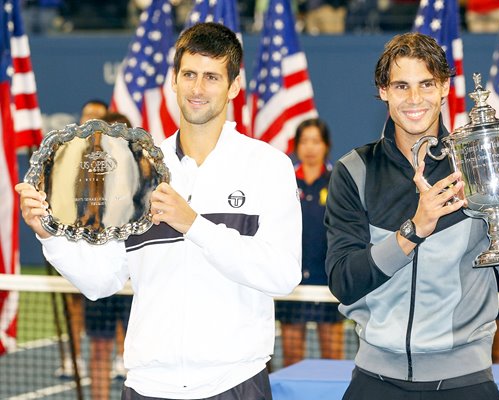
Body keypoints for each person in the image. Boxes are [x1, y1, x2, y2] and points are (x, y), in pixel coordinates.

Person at [16, 22, 301, 400]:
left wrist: (194, 225)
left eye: (212, 77)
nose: (198, 89)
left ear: (233, 86)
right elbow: (103, 280)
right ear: (174, 80)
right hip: (148, 386)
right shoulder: (136, 168)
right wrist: (48, 233)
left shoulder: (267, 165)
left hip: (235, 382)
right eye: (189, 75)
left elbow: (282, 275)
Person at [323, 32, 499, 399]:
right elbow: (343, 281)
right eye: (401, 86)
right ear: (383, 91)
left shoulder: (476, 165)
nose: (415, 99)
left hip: (466, 382)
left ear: (443, 89)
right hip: (375, 381)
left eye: (426, 84)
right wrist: (413, 230)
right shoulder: (354, 170)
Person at [275, 118, 345, 367]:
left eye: (316, 141)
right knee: (292, 359)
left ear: (325, 145)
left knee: (333, 359)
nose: (310, 148)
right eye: (305, 141)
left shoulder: (338, 180)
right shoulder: (284, 180)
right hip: (292, 285)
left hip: (329, 284)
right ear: (296, 146)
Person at [54, 98, 109, 379]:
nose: (92, 123)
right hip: (74, 240)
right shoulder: (68, 155)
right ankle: (73, 358)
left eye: (98, 118)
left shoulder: (116, 159)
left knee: (114, 301)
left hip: (107, 242)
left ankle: (121, 357)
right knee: (73, 304)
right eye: (88, 116)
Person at [82, 111, 134, 400]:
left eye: (119, 134)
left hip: (135, 279)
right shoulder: (88, 180)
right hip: (99, 275)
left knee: (137, 350)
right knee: (100, 348)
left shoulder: (144, 177)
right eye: (107, 134)